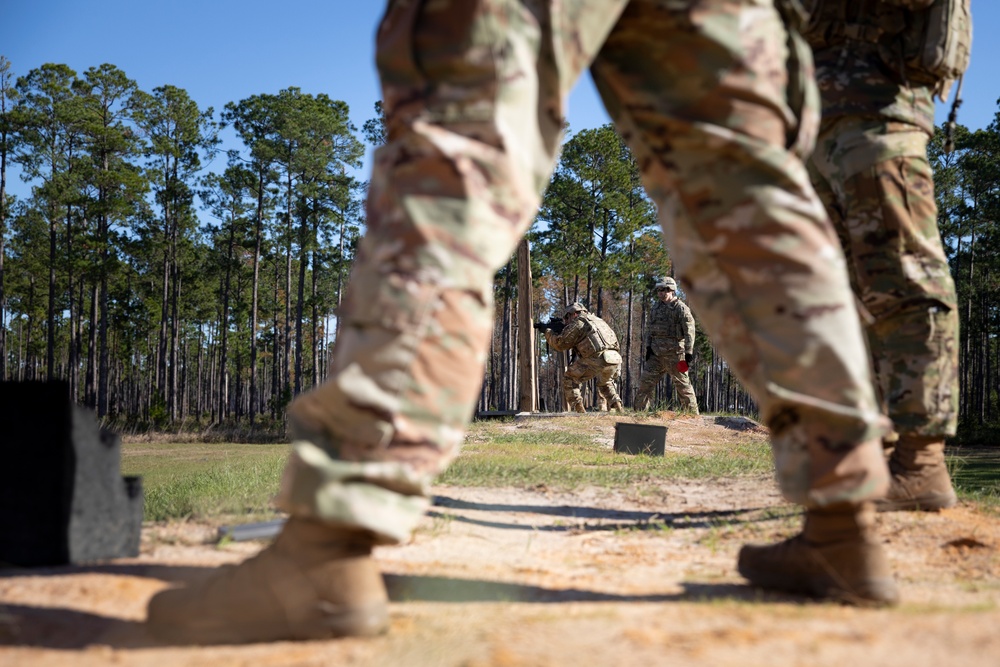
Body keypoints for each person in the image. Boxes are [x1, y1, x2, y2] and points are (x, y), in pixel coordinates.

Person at [146, 0, 899, 645]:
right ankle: (844, 516)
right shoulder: (626, 314)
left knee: (453, 156)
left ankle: (332, 534)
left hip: (607, 364)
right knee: (748, 189)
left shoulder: (614, 320)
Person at [803, 0, 962, 511]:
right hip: (815, 117)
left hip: (878, 102)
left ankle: (922, 464)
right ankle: (878, 449)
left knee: (903, 275)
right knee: (843, 294)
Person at [542, 302, 624, 413]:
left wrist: (548, 332)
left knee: (569, 378)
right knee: (605, 383)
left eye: (567, 317)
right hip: (614, 358)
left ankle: (579, 411)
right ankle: (619, 408)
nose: (566, 321)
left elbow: (560, 344)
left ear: (574, 314)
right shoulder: (598, 320)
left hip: (598, 358)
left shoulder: (579, 322)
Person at [634, 277, 698, 414]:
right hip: (656, 355)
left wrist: (688, 353)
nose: (660, 293)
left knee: (683, 386)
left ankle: (693, 417)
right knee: (645, 385)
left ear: (672, 290)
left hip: (676, 355)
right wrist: (648, 347)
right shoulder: (656, 307)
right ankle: (639, 415)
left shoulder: (681, 309)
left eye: (663, 290)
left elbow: (689, 331)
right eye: (659, 290)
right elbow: (650, 328)